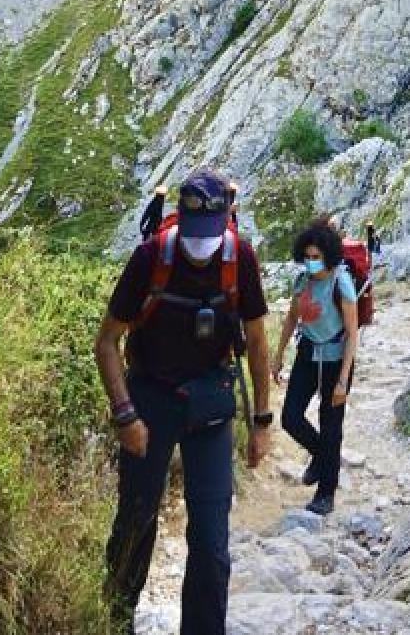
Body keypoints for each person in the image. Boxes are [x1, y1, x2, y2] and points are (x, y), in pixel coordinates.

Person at [94, 168, 273, 635]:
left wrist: (261, 422)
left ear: (226, 221)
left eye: (209, 234)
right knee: (135, 523)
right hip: (150, 402)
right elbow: (107, 342)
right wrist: (124, 414)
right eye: (193, 235)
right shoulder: (151, 257)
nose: (200, 245)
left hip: (211, 408)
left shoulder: (240, 260)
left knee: (212, 541)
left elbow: (257, 343)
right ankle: (115, 621)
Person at [271, 218, 359, 515]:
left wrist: (343, 381)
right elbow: (291, 320)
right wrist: (279, 354)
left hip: (335, 361)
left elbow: (352, 332)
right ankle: (322, 457)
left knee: (331, 425)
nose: (310, 262)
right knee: (291, 418)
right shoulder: (302, 282)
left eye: (316, 257)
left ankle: (326, 492)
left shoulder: (341, 283)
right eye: (306, 257)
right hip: (307, 355)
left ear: (328, 255)